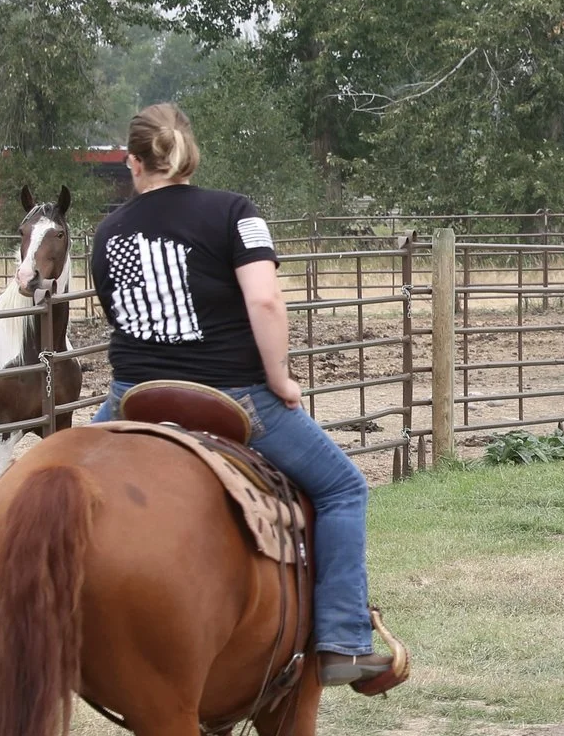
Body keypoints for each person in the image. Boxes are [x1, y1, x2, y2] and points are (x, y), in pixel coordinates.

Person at [87, 103, 396, 688]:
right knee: (342, 488)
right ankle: (343, 641)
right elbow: (265, 301)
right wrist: (279, 378)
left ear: (133, 164)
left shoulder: (107, 232)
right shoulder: (234, 213)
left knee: (55, 476)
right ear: (188, 156)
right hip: (232, 398)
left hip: (134, 398)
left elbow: (123, 317)